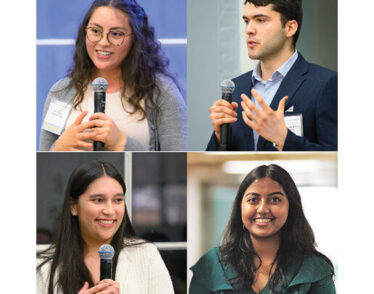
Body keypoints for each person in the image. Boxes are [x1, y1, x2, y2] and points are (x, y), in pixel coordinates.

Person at [39, 0, 186, 151]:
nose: (103, 42)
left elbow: (177, 160)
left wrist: (121, 142)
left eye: (116, 34)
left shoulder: (162, 92)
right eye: (95, 31)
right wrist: (58, 148)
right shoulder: (61, 91)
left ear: (136, 39)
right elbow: (41, 160)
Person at [207, 0, 337, 151]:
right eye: (247, 21)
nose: (249, 29)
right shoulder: (237, 87)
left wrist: (284, 139)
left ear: (289, 28)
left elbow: (336, 158)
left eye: (261, 20)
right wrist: (218, 136)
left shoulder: (324, 83)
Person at [190, 164, 335, 293]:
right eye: (253, 200)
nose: (263, 209)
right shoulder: (211, 264)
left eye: (275, 200)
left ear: (291, 206)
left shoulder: (314, 268)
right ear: (240, 207)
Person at [37, 160, 174, 294]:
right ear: (74, 207)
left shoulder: (146, 255)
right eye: (98, 200)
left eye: (117, 200)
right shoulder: (44, 268)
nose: (109, 211)